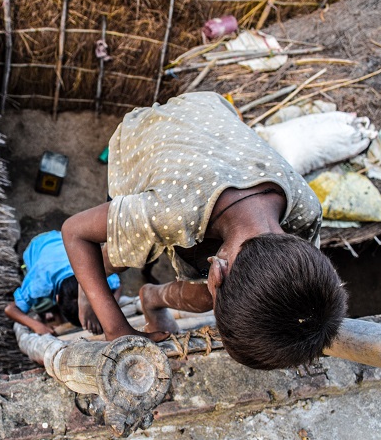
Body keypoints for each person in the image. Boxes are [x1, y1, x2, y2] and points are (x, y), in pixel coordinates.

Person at [61, 92, 348, 370]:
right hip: (151, 134)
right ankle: (92, 284)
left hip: (211, 129)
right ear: (216, 271)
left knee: (201, 298)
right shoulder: (167, 212)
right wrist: (116, 328)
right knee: (125, 252)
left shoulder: (306, 211)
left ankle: (151, 298)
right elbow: (74, 232)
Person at [4, 230, 121, 335]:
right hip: (36, 246)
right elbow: (10, 309)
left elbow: (118, 285)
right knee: (41, 306)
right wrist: (37, 326)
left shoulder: (96, 275)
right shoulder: (39, 283)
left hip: (60, 237)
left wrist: (109, 307)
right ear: (57, 298)